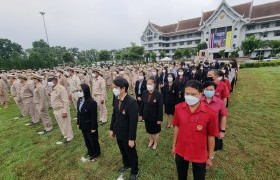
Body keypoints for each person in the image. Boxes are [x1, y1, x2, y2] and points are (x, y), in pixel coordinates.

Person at [172, 80, 219, 180]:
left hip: (199, 153)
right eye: (187, 94)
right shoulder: (178, 108)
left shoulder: (210, 113)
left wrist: (210, 156)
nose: (189, 96)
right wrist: (174, 146)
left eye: (193, 94)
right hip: (181, 150)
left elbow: (211, 135)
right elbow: (177, 127)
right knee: (181, 176)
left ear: (200, 94)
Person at [110, 77, 139, 180]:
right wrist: (112, 129)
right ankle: (126, 165)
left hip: (127, 134)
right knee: (123, 151)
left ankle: (135, 171)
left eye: (116, 87)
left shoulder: (131, 102)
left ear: (123, 88)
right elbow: (114, 114)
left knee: (131, 152)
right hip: (118, 132)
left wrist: (132, 138)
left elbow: (133, 123)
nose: (113, 89)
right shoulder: (116, 98)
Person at [201, 81, 228, 152]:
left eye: (211, 90)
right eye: (207, 89)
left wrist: (222, 130)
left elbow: (223, 116)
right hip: (201, 130)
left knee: (212, 148)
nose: (209, 91)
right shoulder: (198, 101)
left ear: (214, 90)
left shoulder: (220, 102)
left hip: (214, 130)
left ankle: (210, 158)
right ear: (203, 90)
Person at [77, 84, 101, 161]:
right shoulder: (79, 100)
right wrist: (78, 122)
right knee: (86, 140)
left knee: (93, 140)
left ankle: (96, 153)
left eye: (80, 91)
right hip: (83, 124)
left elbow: (94, 116)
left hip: (90, 125)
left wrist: (93, 127)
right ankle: (90, 151)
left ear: (85, 91)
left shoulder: (92, 102)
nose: (79, 92)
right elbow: (78, 112)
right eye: (78, 91)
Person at [49, 76, 74, 144]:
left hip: (61, 109)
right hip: (56, 109)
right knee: (61, 124)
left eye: (51, 81)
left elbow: (65, 101)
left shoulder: (61, 88)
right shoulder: (52, 88)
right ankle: (65, 135)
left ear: (56, 81)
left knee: (66, 124)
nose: (49, 82)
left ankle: (69, 137)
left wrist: (65, 111)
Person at [140, 77, 163, 150]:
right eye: (147, 84)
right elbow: (142, 105)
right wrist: (141, 114)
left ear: (154, 84)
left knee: (155, 131)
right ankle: (151, 140)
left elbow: (160, 108)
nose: (148, 85)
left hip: (155, 117)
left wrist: (159, 119)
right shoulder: (144, 92)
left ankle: (155, 142)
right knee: (148, 130)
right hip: (146, 116)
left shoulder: (158, 94)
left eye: (150, 84)